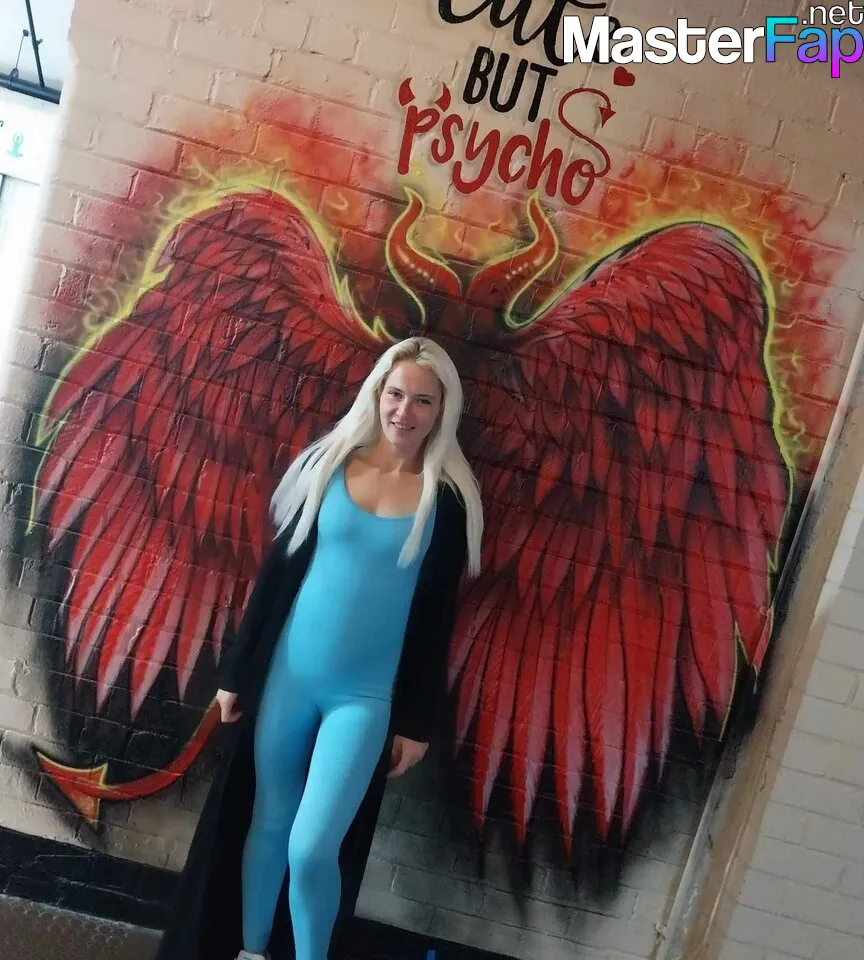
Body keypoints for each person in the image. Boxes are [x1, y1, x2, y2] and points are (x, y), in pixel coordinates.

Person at [155, 336, 484, 960]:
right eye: (395, 394)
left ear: (443, 410)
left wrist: (417, 721)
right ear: (377, 394)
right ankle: (251, 953)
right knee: (268, 824)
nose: (405, 411)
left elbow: (437, 620)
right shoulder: (329, 465)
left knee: (311, 849)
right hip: (288, 680)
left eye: (422, 400)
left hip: (362, 700)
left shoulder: (445, 501)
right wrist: (237, 673)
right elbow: (277, 574)